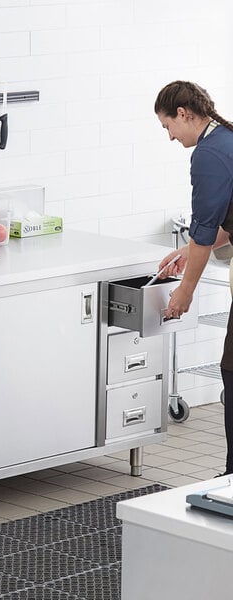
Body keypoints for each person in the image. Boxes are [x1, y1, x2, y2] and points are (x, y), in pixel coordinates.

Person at [154, 80, 233, 475]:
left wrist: (184, 293)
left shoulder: (207, 154)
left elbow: (204, 228)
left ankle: (232, 476)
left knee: (232, 367)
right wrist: (187, 252)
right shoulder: (228, 137)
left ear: (183, 113)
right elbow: (222, 220)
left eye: (167, 126)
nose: (169, 136)